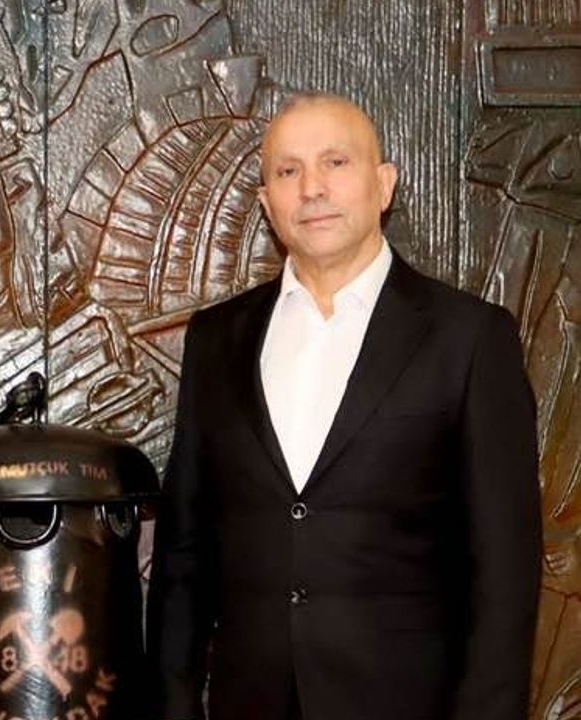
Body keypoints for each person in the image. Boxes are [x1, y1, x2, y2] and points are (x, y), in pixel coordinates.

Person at [147, 92, 541, 720]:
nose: (312, 188)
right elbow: (183, 551)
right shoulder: (216, 340)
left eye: (336, 162)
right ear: (266, 203)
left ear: (383, 185)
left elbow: (505, 571)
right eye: (288, 171)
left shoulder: (468, 338)